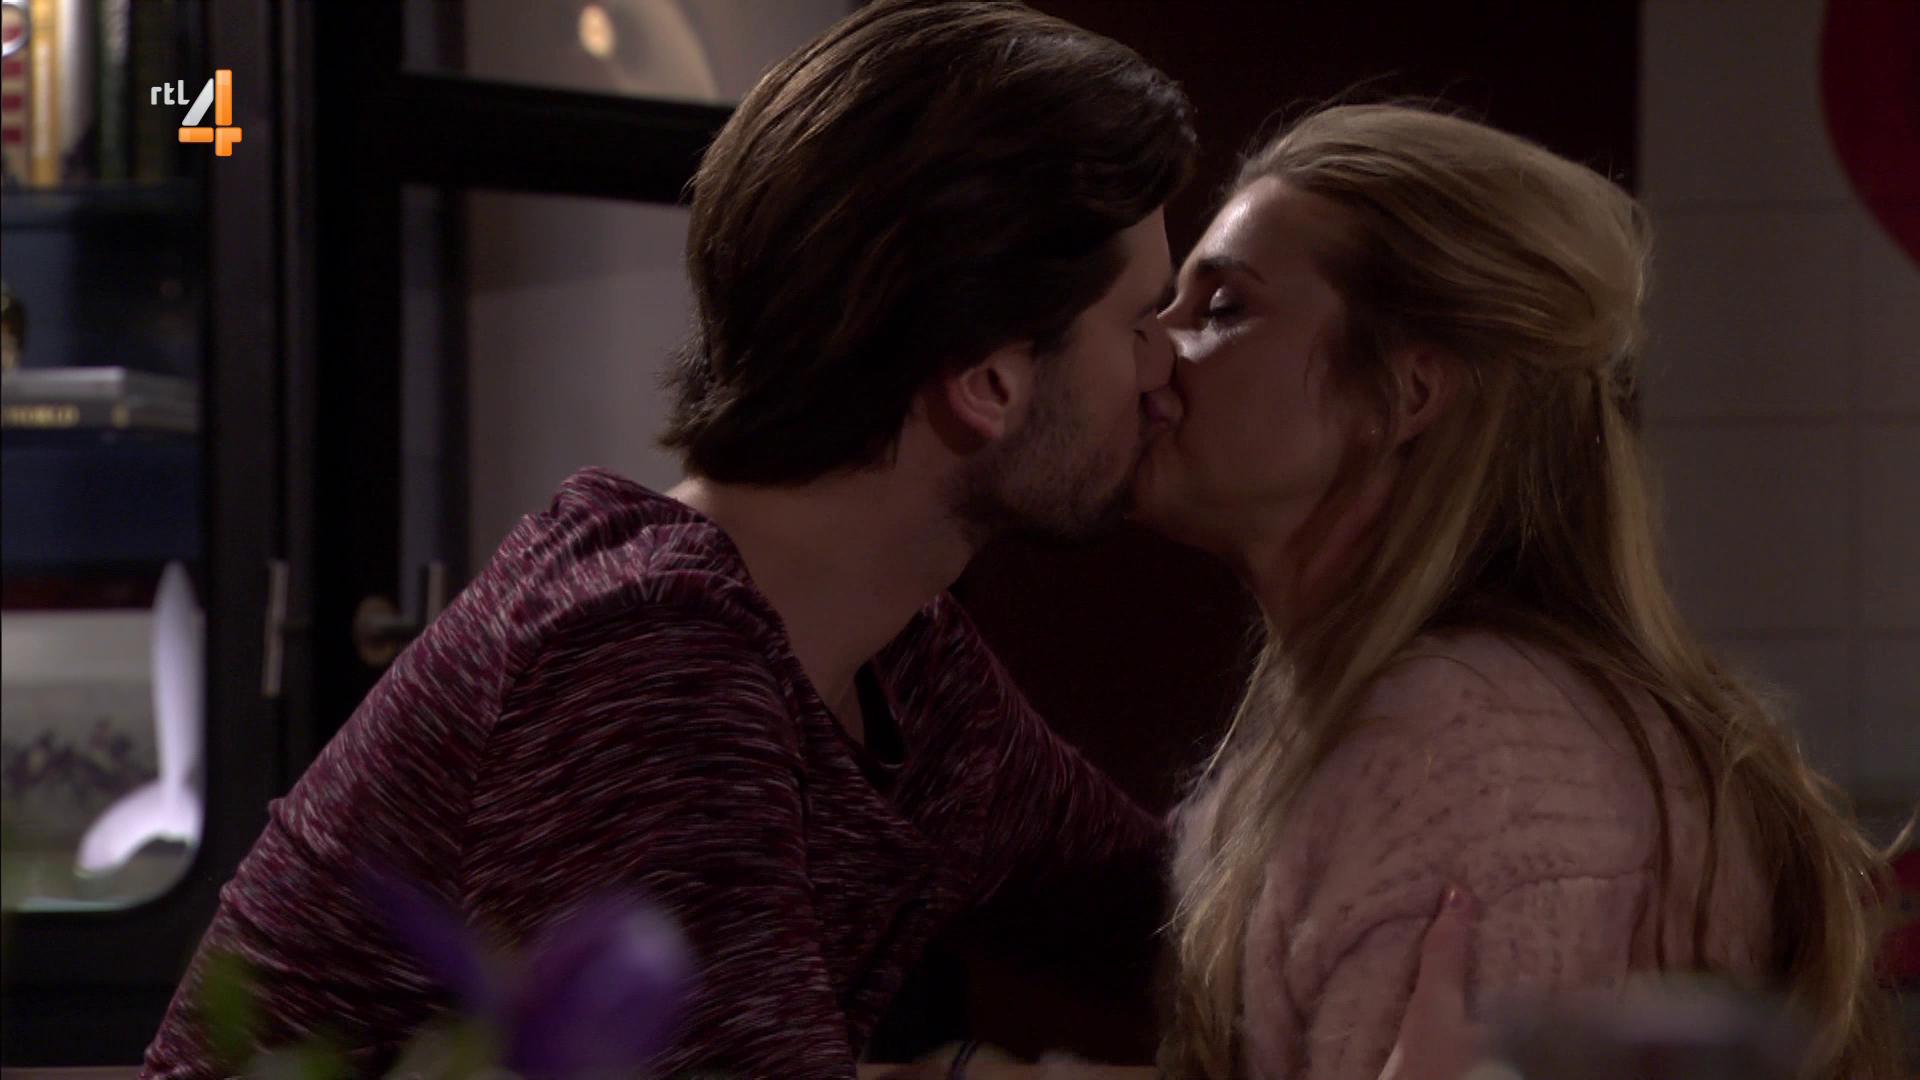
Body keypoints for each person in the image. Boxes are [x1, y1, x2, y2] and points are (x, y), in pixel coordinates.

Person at [1136, 103, 1905, 1080]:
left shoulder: (1466, 756)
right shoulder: (1409, 720)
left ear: (1405, 394)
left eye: (1220, 309)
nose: (1150, 347)